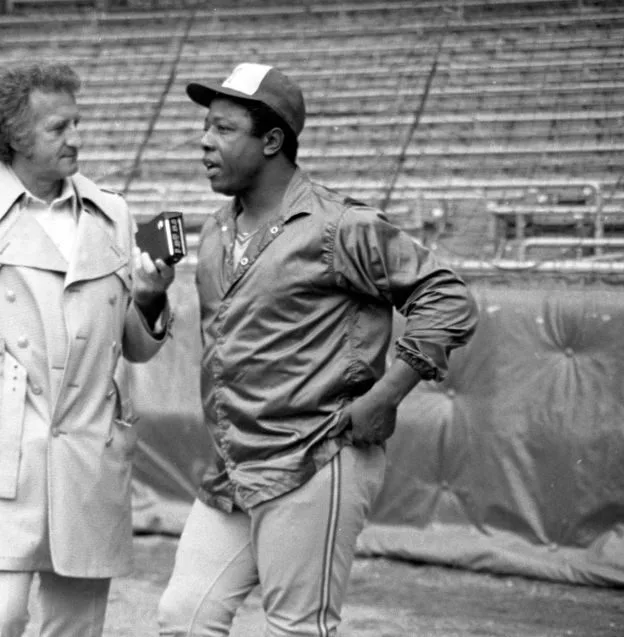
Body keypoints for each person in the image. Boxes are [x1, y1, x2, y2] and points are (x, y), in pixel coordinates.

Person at [156, 63, 479, 636]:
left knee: (296, 628)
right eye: (206, 126)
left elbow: (447, 296)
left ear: (272, 140)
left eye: (225, 129)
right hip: (235, 462)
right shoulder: (213, 231)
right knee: (186, 615)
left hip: (315, 453)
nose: (204, 140)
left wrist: (386, 394)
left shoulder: (339, 225)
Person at [0, 63, 176, 637]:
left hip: (89, 449)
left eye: (77, 122)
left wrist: (149, 300)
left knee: (75, 626)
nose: (77, 137)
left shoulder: (113, 213)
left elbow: (132, 346)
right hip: (8, 453)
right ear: (14, 135)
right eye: (58, 127)